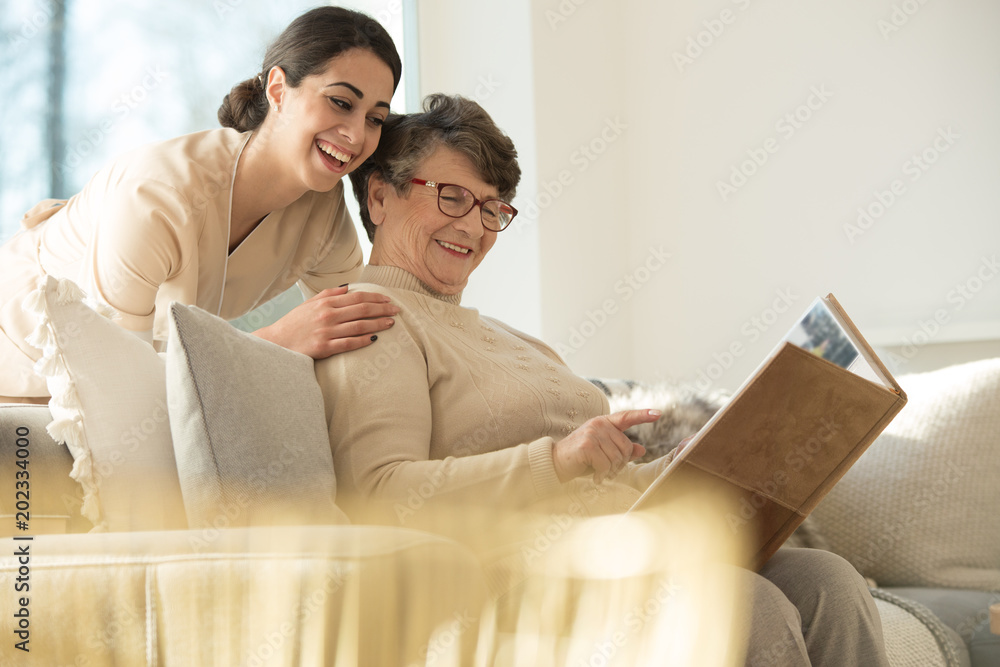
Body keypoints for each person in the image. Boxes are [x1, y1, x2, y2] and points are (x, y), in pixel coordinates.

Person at [314, 94, 890, 666]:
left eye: (492, 209)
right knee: (737, 602)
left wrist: (689, 468)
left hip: (622, 550)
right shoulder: (371, 315)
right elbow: (382, 494)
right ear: (380, 195)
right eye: (453, 197)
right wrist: (557, 460)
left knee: (828, 582)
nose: (474, 226)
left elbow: (595, 485)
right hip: (513, 584)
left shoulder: (520, 341)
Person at [0, 7, 402, 403]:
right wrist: (276, 341)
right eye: (341, 102)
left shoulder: (322, 211)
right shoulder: (157, 194)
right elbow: (120, 383)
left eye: (375, 119)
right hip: (20, 363)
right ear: (278, 90)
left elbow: (368, 328)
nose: (355, 134)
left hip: (108, 388)